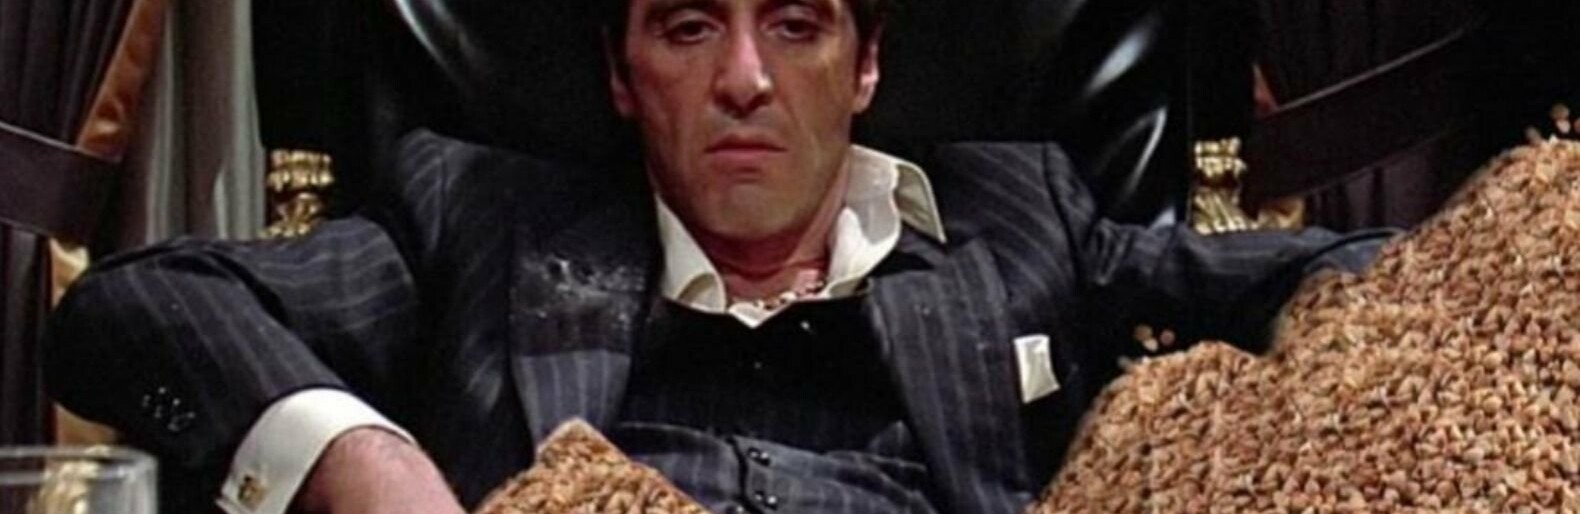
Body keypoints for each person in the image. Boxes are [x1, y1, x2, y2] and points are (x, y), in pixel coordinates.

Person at [46, 0, 1393, 512]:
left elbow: (1363, 280)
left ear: (865, 66)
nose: (744, 79)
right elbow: (143, 306)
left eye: (796, 26)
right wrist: (362, 461)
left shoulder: (1020, 220)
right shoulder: (483, 221)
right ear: (623, 75)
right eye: (690, 27)